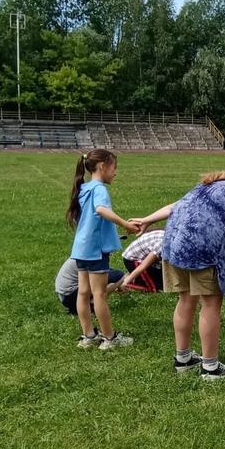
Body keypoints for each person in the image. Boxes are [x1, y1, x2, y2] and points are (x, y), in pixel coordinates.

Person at [130, 157, 225, 379]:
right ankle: (210, 368)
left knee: (185, 300)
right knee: (210, 305)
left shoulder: (210, 184)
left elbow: (176, 206)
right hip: (203, 253)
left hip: (174, 246)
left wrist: (148, 219)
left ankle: (183, 360)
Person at [66, 149, 138, 350]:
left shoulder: (84, 188)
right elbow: (100, 209)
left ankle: (88, 336)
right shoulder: (99, 189)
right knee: (99, 294)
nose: (115, 172)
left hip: (81, 248)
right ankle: (109, 338)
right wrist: (125, 224)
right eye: (114, 167)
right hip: (95, 250)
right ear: (102, 166)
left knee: (83, 292)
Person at [55, 257, 124, 316]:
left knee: (113, 275)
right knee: (120, 276)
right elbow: (105, 275)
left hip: (64, 297)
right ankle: (95, 300)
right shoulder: (91, 258)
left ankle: (83, 306)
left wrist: (118, 286)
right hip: (71, 297)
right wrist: (118, 283)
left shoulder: (82, 254)